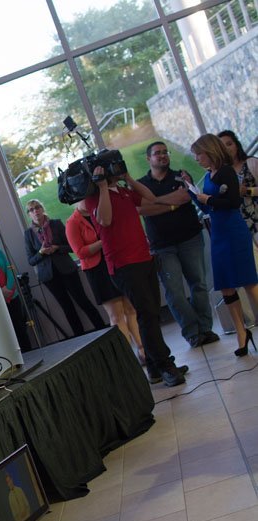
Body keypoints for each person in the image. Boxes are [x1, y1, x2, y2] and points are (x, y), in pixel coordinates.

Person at [85, 163, 191, 386]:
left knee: (151, 313)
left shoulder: (123, 191)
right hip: (124, 265)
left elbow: (151, 198)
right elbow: (105, 220)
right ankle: (164, 365)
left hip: (144, 258)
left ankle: (154, 368)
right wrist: (102, 186)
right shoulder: (94, 198)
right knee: (147, 313)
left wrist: (129, 178)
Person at [183, 134, 258, 357]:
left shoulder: (226, 171)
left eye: (199, 154)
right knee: (226, 285)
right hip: (219, 233)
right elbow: (208, 208)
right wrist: (192, 192)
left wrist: (209, 200)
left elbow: (233, 202)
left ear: (209, 151)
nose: (197, 159)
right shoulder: (209, 175)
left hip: (233, 231)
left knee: (248, 280)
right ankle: (240, 331)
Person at [137, 141, 217, 348]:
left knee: (198, 284)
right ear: (149, 158)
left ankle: (205, 329)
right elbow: (142, 209)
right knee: (175, 293)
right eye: (157, 153)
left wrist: (156, 201)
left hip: (190, 238)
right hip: (162, 246)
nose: (162, 156)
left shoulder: (181, 176)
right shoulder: (141, 185)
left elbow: (184, 197)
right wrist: (170, 203)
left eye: (165, 152)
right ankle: (192, 332)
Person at [66, 200, 144, 362]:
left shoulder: (100, 213)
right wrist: (103, 242)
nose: (87, 201)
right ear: (76, 201)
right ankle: (127, 357)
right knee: (116, 316)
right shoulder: (73, 222)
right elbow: (80, 252)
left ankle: (143, 350)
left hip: (117, 262)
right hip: (98, 270)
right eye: (83, 198)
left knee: (131, 308)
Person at [24, 199, 105, 337]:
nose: (35, 211)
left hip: (67, 269)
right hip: (48, 277)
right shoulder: (28, 234)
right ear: (29, 214)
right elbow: (31, 260)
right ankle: (80, 339)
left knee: (82, 300)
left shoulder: (56, 224)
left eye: (37, 207)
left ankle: (103, 330)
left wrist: (57, 248)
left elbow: (72, 247)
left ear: (42, 209)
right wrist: (41, 253)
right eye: (31, 210)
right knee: (66, 307)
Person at [0, 232, 32, 351]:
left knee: (20, 328)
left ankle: (30, 354)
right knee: (5, 333)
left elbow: (10, 271)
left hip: (12, 296)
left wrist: (8, 290)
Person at [218, 130, 258, 268]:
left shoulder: (251, 163)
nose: (228, 149)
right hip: (239, 227)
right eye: (223, 147)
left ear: (236, 144)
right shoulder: (221, 173)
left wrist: (247, 191)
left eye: (229, 144)